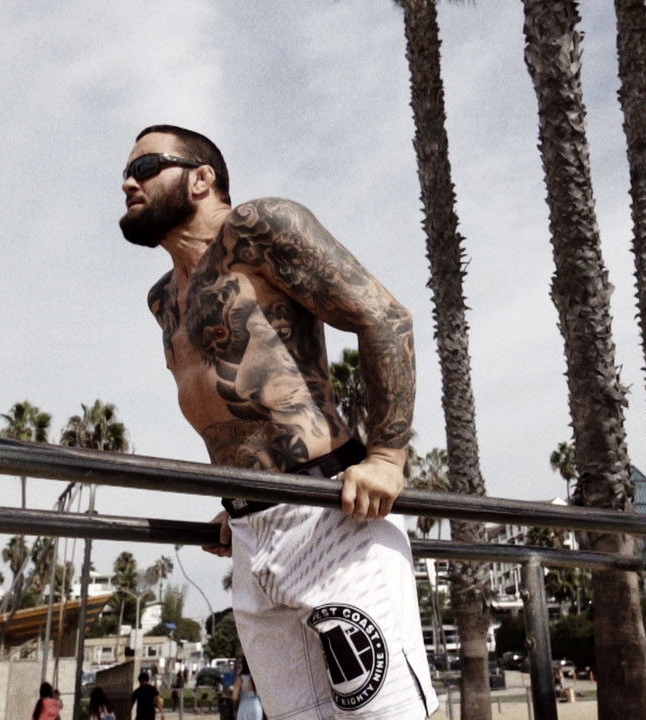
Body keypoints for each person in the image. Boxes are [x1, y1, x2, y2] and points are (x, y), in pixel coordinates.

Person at [119, 124, 436, 720]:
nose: (128, 183)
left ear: (201, 178)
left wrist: (387, 456)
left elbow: (384, 317)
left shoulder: (256, 228)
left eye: (145, 167)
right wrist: (242, 498)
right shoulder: (163, 300)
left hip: (330, 515)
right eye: (127, 173)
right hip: (248, 532)